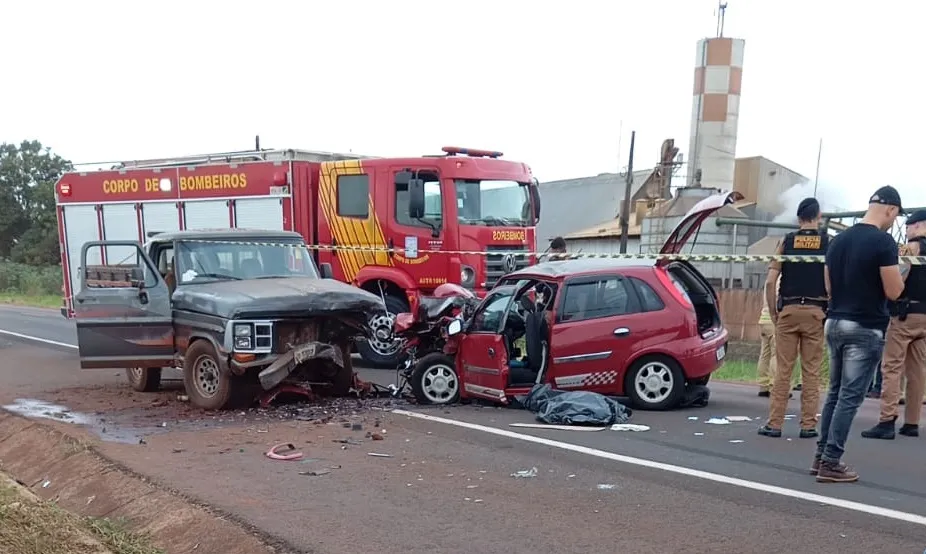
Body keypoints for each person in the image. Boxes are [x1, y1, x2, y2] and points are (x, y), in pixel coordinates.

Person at [811, 186, 904, 483]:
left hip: (835, 321)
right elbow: (893, 291)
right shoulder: (883, 242)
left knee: (835, 393)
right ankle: (831, 461)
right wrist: (902, 274)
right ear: (890, 209)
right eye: (895, 215)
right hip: (865, 326)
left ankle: (820, 455)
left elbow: (828, 287)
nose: (893, 220)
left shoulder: (838, 241)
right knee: (850, 397)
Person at [759, 198, 829, 439]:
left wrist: (774, 313)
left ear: (799, 219)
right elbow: (830, 279)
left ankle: (774, 424)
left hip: (788, 311)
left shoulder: (786, 242)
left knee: (783, 371)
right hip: (815, 311)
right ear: (819, 216)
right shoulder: (828, 243)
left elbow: (770, 282)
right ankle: (808, 426)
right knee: (811, 372)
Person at [861, 209, 926, 439]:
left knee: (891, 367)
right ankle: (912, 423)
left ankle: (887, 420)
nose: (906, 231)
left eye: (908, 227)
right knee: (917, 371)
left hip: (905, 315)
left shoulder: (911, 248)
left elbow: (898, 280)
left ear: (917, 225)